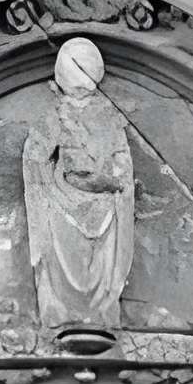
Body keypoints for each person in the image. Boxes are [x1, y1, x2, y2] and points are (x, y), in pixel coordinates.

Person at [22, 36, 135, 349]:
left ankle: (102, 312)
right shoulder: (54, 116)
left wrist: (112, 179)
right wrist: (54, 186)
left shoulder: (110, 118)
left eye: (86, 88)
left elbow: (121, 162)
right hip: (61, 201)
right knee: (61, 247)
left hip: (103, 203)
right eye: (75, 85)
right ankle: (61, 312)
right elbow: (36, 160)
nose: (81, 95)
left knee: (103, 257)